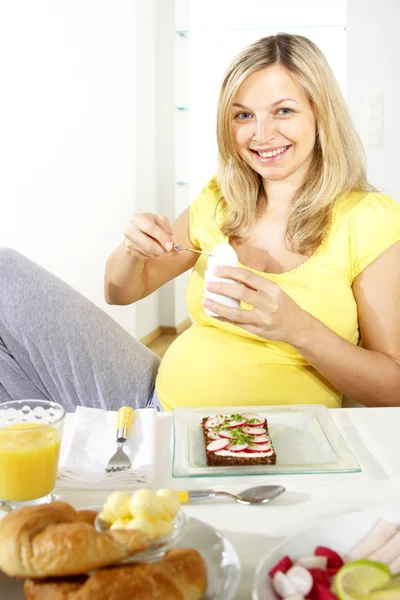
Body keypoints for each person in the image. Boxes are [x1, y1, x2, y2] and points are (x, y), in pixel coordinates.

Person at [1, 33, 400, 412]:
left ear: (321, 115)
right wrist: (132, 251)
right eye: (243, 115)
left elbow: (393, 389)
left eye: (283, 111)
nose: (261, 134)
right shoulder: (221, 201)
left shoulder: (368, 219)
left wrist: (297, 328)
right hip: (156, 409)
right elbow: (120, 292)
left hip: (268, 440)